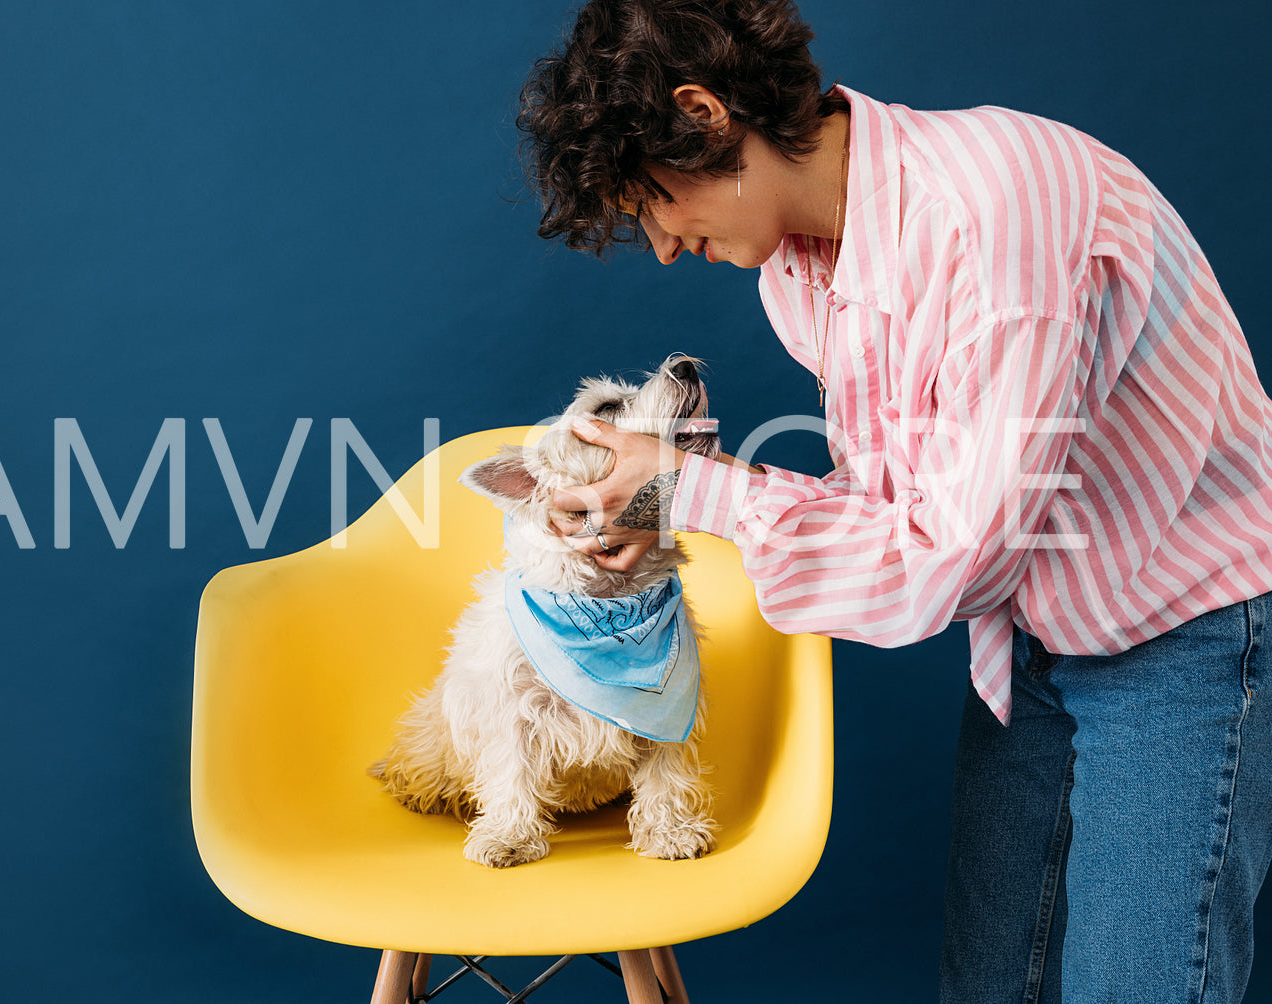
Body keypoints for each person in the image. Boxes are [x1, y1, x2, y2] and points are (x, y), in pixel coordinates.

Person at [515, 1, 1272, 1001]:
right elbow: (903, 503)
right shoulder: (800, 268)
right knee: (988, 980)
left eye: (652, 199)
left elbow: (951, 555)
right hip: (1037, 630)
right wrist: (673, 500)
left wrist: (692, 486)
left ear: (702, 114)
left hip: (1183, 626)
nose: (659, 244)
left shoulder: (993, 218)